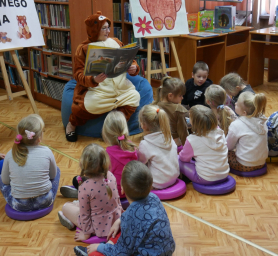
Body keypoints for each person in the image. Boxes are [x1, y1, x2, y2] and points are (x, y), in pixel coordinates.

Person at [65, 11, 140, 142]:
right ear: (94, 30)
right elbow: (77, 74)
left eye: (108, 27)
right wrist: (93, 79)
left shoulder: (116, 41)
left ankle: (114, 127)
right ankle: (71, 125)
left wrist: (134, 67)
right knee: (84, 106)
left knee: (135, 97)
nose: (107, 31)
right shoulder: (83, 48)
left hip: (121, 88)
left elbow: (129, 57)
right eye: (103, 28)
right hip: (99, 90)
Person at [74, 161, 175, 256]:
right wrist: (120, 220)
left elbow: (121, 253)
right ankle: (106, 246)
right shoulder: (154, 198)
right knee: (120, 232)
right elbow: (138, 219)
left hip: (146, 252)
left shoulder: (130, 217)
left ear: (122, 188)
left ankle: (97, 251)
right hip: (167, 249)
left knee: (107, 246)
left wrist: (99, 247)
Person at [58, 144, 122, 242]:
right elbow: (117, 200)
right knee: (80, 204)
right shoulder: (111, 175)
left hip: (97, 227)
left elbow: (85, 215)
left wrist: (86, 234)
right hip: (115, 220)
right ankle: (76, 205)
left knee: (66, 207)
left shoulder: (85, 187)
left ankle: (70, 219)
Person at [0, 114, 60, 211]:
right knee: (57, 170)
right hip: (45, 201)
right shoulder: (47, 151)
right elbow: (52, 176)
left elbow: (5, 181)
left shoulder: (10, 154)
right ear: (39, 138)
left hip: (20, 205)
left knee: (0, 178)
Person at [179, 105, 229, 184]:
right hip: (224, 174)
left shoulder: (192, 139)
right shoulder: (220, 132)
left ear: (194, 123)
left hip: (206, 179)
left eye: (190, 117)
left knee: (178, 159)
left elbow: (183, 158)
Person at [137, 104, 179, 189]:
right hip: (174, 178)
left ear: (143, 125)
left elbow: (140, 164)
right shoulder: (168, 137)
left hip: (157, 183)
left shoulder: (145, 144)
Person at [226, 92, 268, 171]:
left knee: (220, 152)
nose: (235, 103)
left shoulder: (236, 124)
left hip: (244, 164)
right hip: (261, 162)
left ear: (244, 113)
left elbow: (228, 146)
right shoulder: (264, 120)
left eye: (238, 104)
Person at [102, 111, 137, 198]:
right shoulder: (132, 147)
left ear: (105, 134)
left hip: (114, 192)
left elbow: (104, 176)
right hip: (131, 190)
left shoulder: (107, 154)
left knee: (81, 179)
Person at [155, 76, 189, 149]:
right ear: (170, 96)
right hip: (175, 144)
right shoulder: (178, 109)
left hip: (158, 142)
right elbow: (183, 132)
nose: (182, 98)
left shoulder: (155, 106)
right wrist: (188, 148)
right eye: (180, 95)